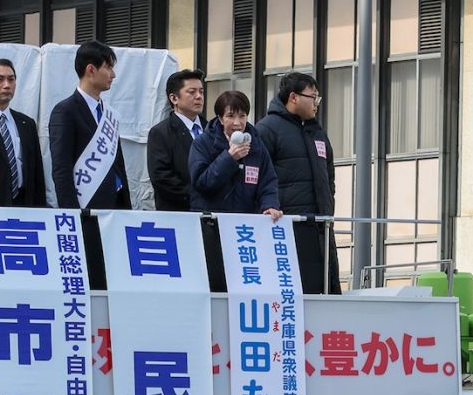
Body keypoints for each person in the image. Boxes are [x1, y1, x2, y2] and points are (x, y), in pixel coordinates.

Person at [251, 71, 340, 293]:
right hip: (286, 227)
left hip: (320, 227)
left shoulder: (317, 132)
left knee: (324, 291)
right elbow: (257, 179)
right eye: (313, 96)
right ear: (294, 97)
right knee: (291, 292)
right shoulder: (267, 129)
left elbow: (329, 177)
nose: (316, 103)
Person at [49, 41, 130, 211]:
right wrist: (72, 213)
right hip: (87, 207)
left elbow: (117, 165)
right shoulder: (65, 111)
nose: (113, 74)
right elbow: (61, 169)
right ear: (91, 70)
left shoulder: (108, 113)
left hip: (116, 206)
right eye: (108, 67)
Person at [189, 90, 283, 218]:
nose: (237, 123)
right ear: (220, 118)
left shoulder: (256, 144)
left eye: (242, 116)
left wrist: (270, 206)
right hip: (211, 221)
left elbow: (268, 182)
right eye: (230, 116)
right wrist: (229, 158)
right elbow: (202, 183)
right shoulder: (203, 143)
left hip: (245, 221)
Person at [0, 58, 45, 208]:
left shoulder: (26, 123)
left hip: (24, 204)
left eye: (11, 79)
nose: (7, 85)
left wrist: (40, 208)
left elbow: (37, 172)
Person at [146, 68, 206, 212]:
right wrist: (198, 196)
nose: (199, 97)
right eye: (192, 92)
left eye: (201, 92)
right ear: (174, 98)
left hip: (213, 213)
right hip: (178, 213)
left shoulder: (211, 129)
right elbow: (161, 177)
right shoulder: (160, 133)